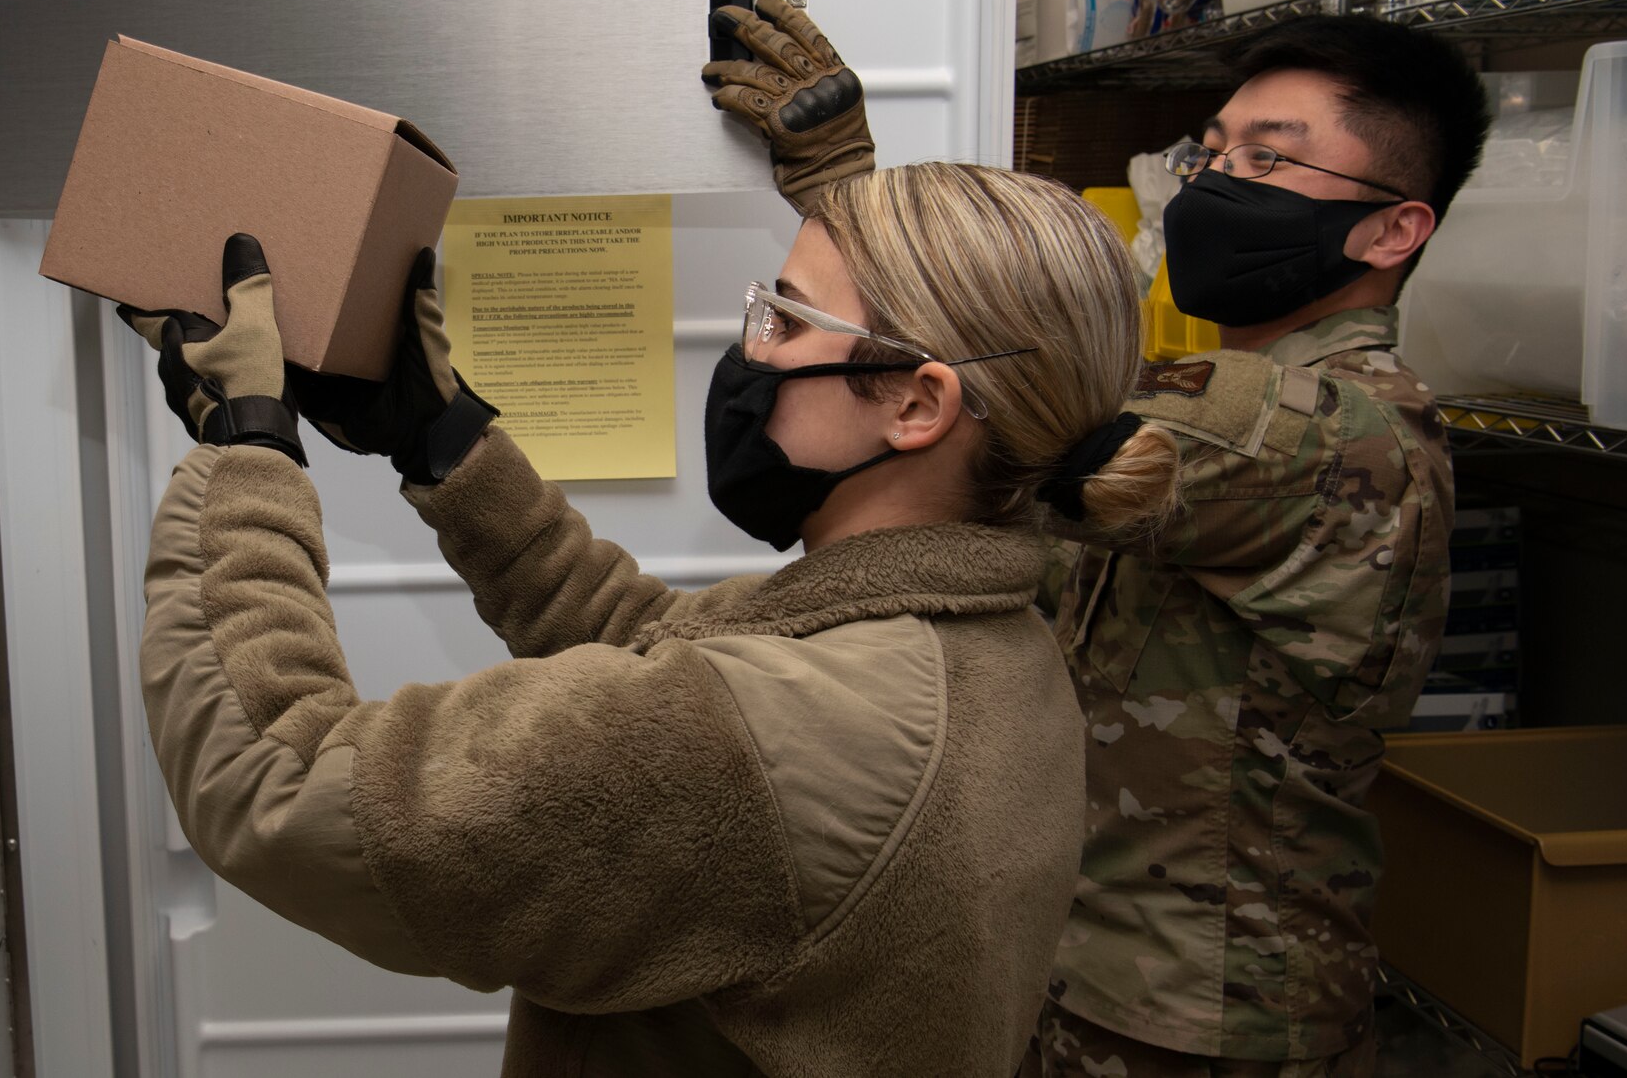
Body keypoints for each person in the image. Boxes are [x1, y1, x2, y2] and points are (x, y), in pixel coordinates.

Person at [115, 97, 1183, 1071]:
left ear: (914, 404)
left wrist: (245, 447)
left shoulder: (781, 733)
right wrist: (441, 437)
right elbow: (658, 647)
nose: (747, 343)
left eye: (786, 318)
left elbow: (283, 782)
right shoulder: (983, 643)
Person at [705, 2, 1489, 1077]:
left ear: (1392, 228)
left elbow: (1008, 406)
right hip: (1091, 978)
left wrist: (846, 204)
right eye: (1209, 150)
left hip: (1194, 1017)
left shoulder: (1330, 428)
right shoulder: (1245, 396)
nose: (1214, 180)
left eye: (1268, 156)